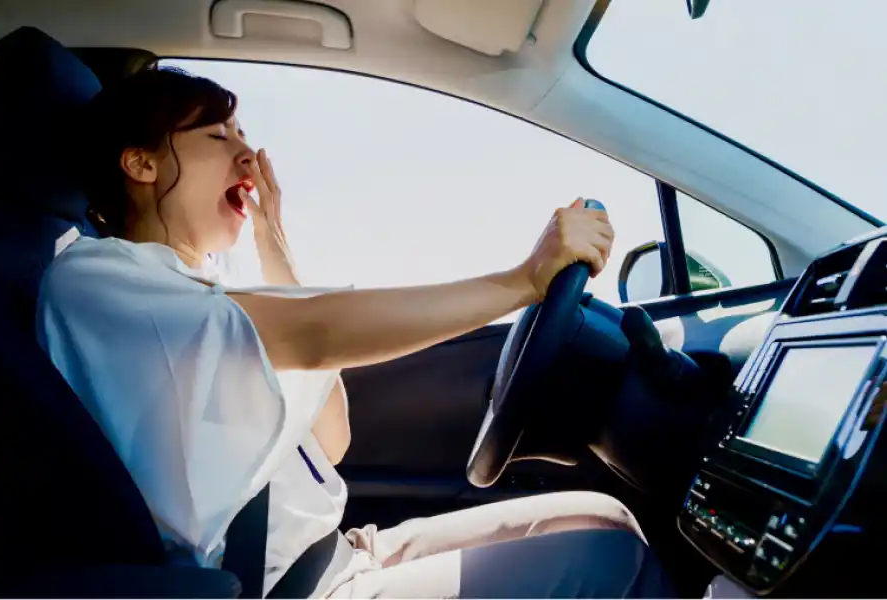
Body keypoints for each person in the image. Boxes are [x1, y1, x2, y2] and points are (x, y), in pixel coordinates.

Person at [36, 67, 674, 598]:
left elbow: (331, 436)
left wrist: (273, 241)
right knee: (612, 563)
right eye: (215, 135)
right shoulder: (98, 279)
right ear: (141, 163)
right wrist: (521, 281)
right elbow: (314, 332)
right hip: (287, 587)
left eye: (244, 132)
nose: (248, 155)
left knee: (607, 519)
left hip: (337, 556)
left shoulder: (205, 286)